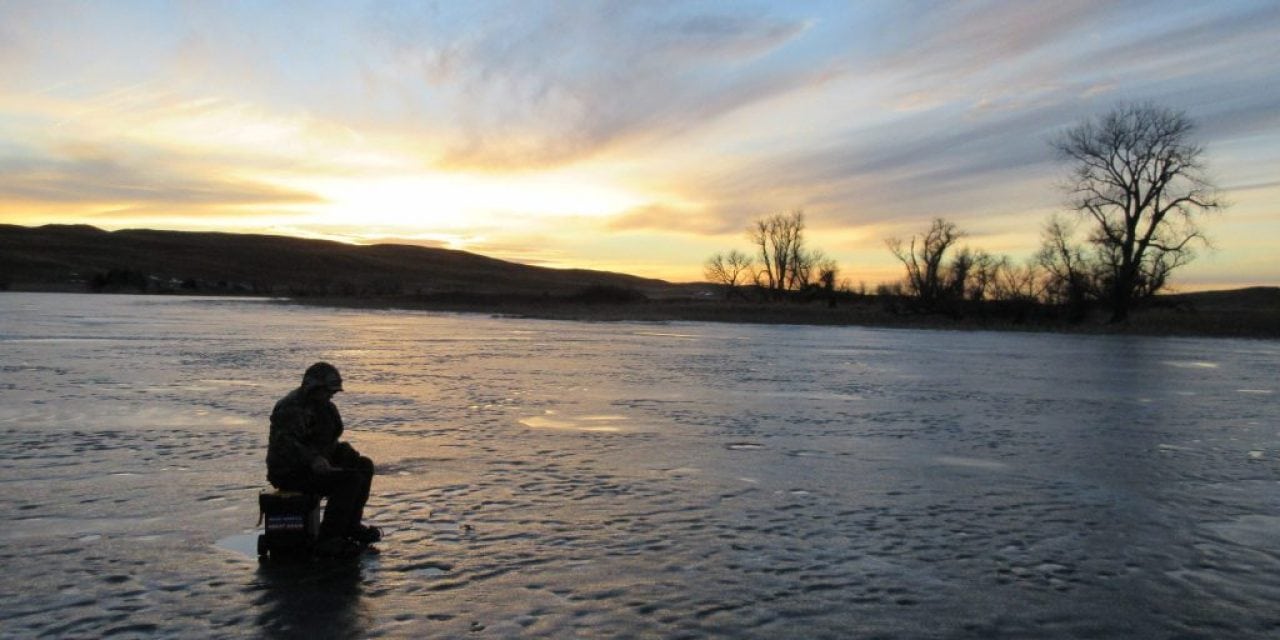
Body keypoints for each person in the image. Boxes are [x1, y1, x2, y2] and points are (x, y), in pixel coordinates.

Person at [267, 362, 380, 557]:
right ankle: (329, 538)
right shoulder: (291, 408)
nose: (331, 396)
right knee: (348, 481)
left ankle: (351, 526)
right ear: (314, 388)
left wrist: (345, 454)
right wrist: (313, 460)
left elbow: (329, 440)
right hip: (290, 472)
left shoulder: (325, 408)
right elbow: (286, 445)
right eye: (328, 391)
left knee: (363, 467)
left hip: (315, 465)